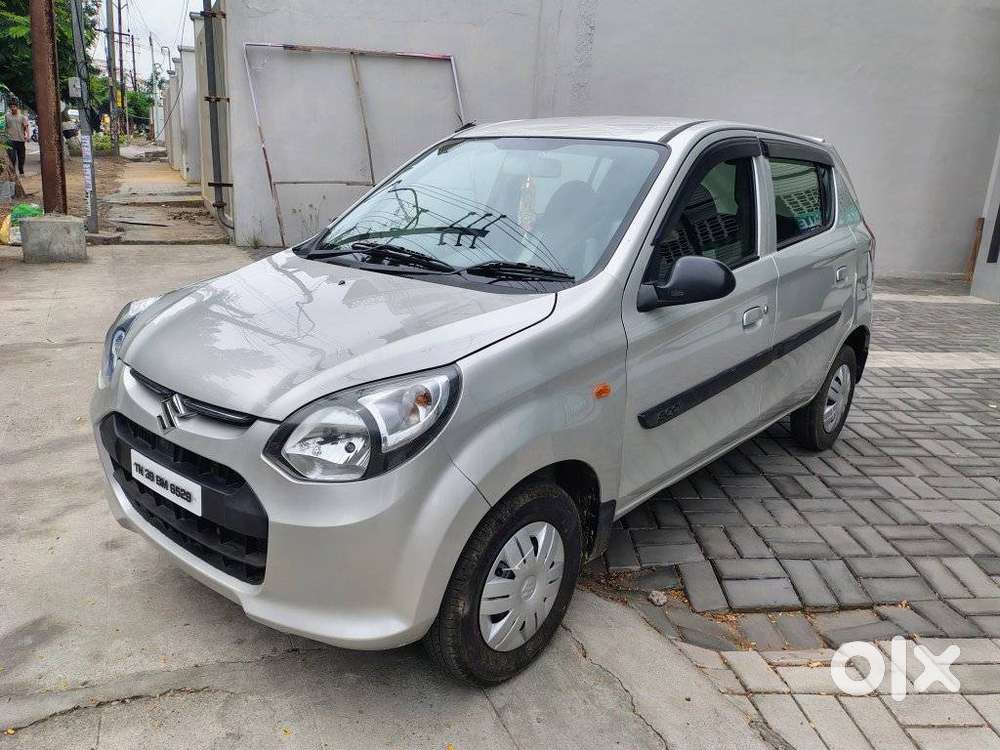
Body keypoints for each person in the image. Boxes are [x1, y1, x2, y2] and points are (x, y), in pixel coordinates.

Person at [4, 103, 28, 176]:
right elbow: (4, 126)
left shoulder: (22, 117)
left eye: (14, 107)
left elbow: (25, 127)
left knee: (21, 157)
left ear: (17, 107)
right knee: (12, 157)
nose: (13, 108)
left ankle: (21, 171)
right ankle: (13, 172)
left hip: (20, 139)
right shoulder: (6, 116)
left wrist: (27, 135)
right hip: (10, 140)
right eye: (11, 107)